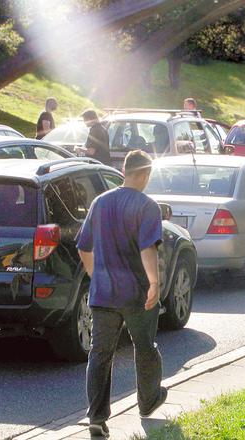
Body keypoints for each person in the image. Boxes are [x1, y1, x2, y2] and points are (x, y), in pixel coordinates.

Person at [76, 150, 167, 438]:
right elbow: (147, 248)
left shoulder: (100, 202)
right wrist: (154, 283)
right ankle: (148, 401)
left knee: (100, 354)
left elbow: (83, 246)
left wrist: (96, 276)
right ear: (145, 174)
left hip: (103, 293)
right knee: (145, 348)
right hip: (137, 294)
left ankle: (96, 417)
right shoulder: (147, 206)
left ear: (125, 170)